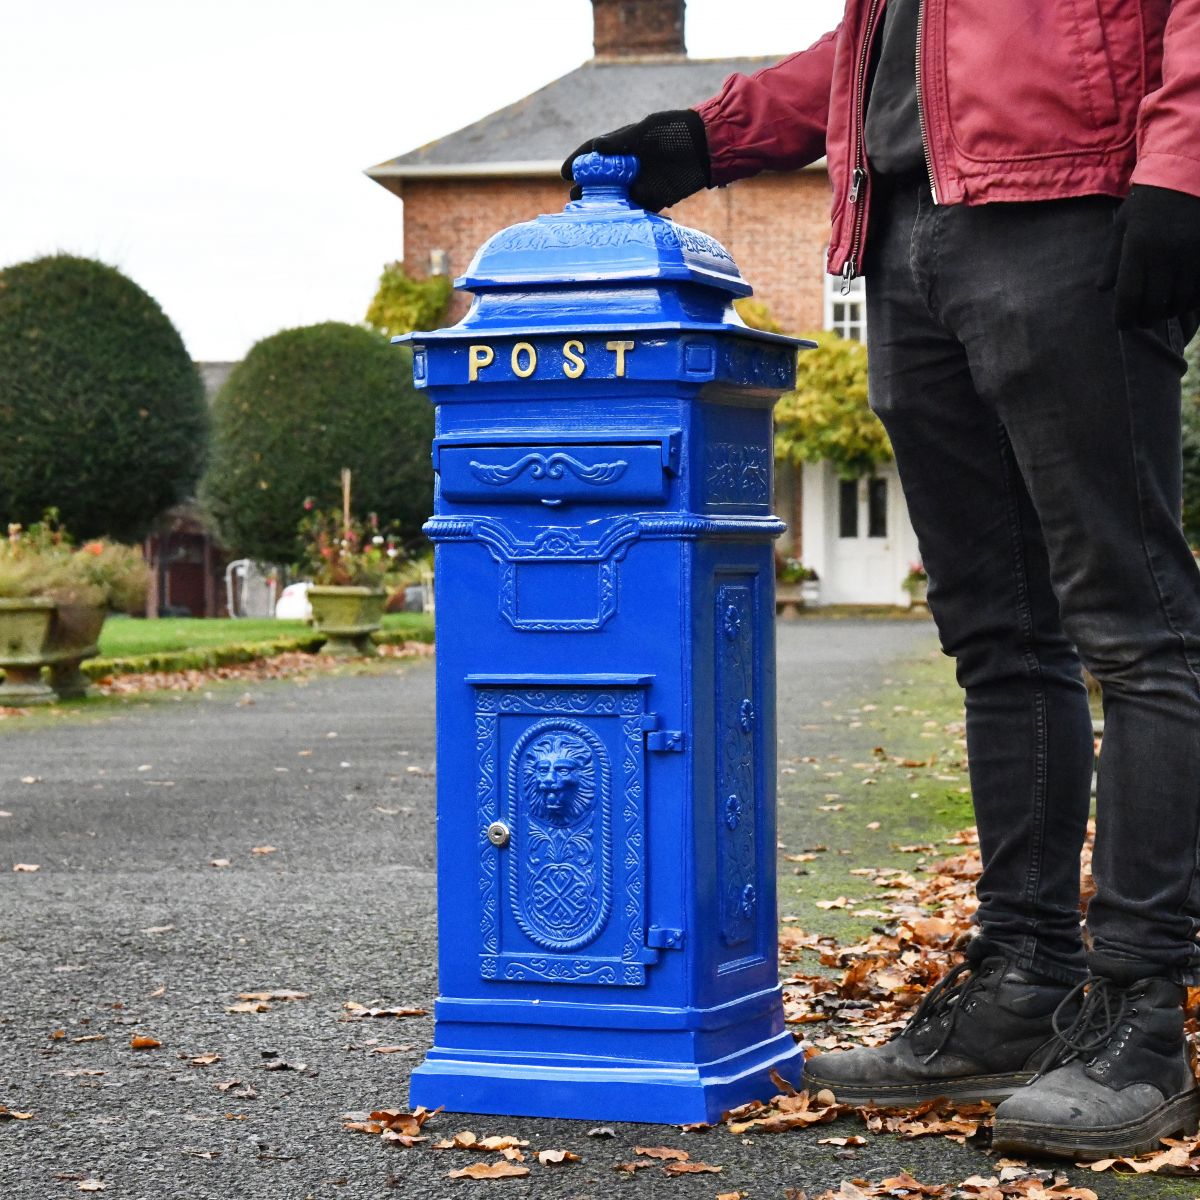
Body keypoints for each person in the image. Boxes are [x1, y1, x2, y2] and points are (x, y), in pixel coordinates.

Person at [564, 0, 1200, 1162]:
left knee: (1136, 629)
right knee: (998, 641)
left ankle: (1143, 1020)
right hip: (906, 233)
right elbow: (880, 53)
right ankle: (1022, 980)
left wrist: (1186, 165)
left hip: (1067, 212)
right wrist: (714, 137)